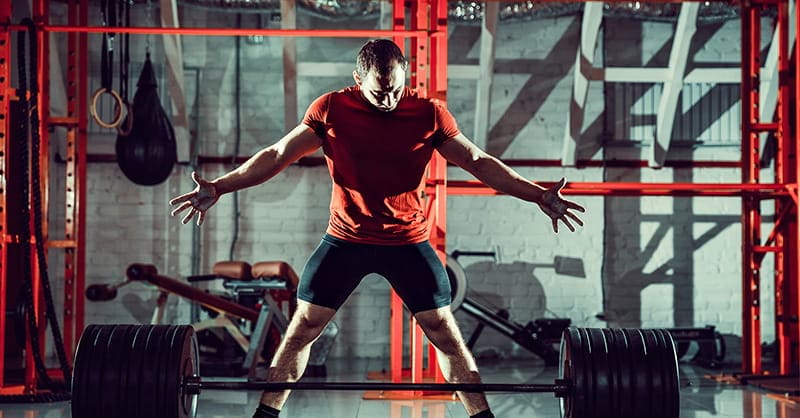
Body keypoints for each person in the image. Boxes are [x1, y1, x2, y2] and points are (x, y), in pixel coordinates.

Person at [170, 39, 585, 418]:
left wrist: (538, 195)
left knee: (445, 331)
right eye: (378, 91)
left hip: (406, 242)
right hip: (345, 240)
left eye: (396, 89)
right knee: (302, 329)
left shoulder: (429, 113)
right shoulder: (331, 108)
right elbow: (278, 154)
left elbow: (478, 163)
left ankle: (482, 417)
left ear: (406, 78)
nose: (388, 99)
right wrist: (220, 186)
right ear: (357, 80)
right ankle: (265, 416)